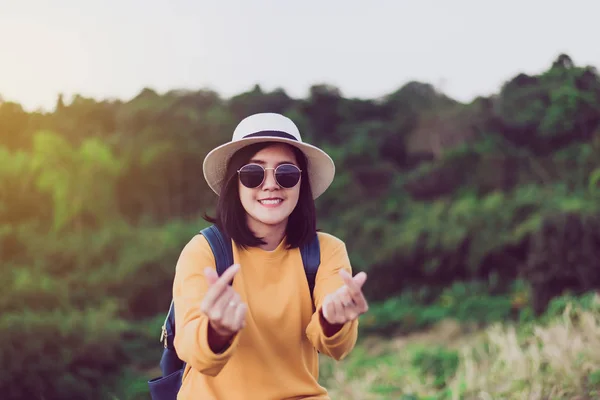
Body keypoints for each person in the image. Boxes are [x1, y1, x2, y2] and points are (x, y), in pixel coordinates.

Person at [172, 112, 369, 399]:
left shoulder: (326, 250)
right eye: (253, 173)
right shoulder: (204, 251)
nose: (270, 184)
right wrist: (217, 330)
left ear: (301, 184)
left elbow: (336, 347)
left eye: (286, 173)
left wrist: (333, 319)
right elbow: (191, 348)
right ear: (234, 184)